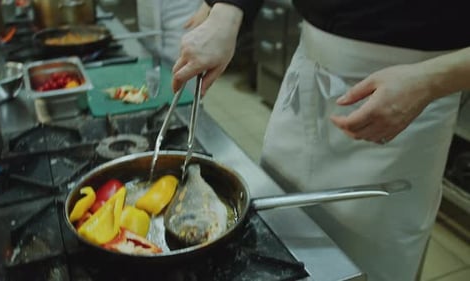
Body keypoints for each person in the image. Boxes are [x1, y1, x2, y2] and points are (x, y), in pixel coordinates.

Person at [171, 1, 470, 281]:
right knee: (276, 242)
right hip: (308, 74)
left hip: (411, 95)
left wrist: (432, 80)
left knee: (373, 263)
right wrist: (228, 9)